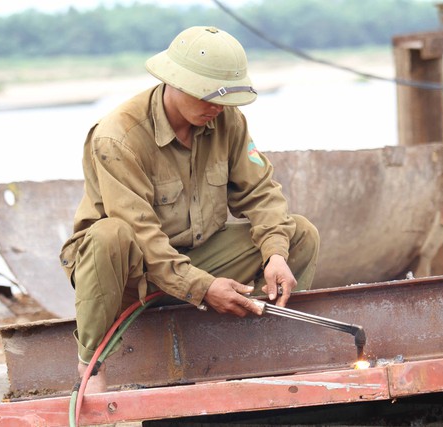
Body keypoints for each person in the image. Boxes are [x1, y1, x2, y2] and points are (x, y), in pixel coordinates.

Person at [59, 26, 320, 393]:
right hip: (131, 274)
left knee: (299, 233)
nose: (216, 107)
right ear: (174, 83)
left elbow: (262, 193)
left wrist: (275, 254)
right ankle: (92, 363)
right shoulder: (117, 137)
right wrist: (203, 286)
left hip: (197, 258)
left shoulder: (226, 120)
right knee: (109, 235)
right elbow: (141, 233)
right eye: (207, 97)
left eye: (224, 99)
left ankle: (264, 346)